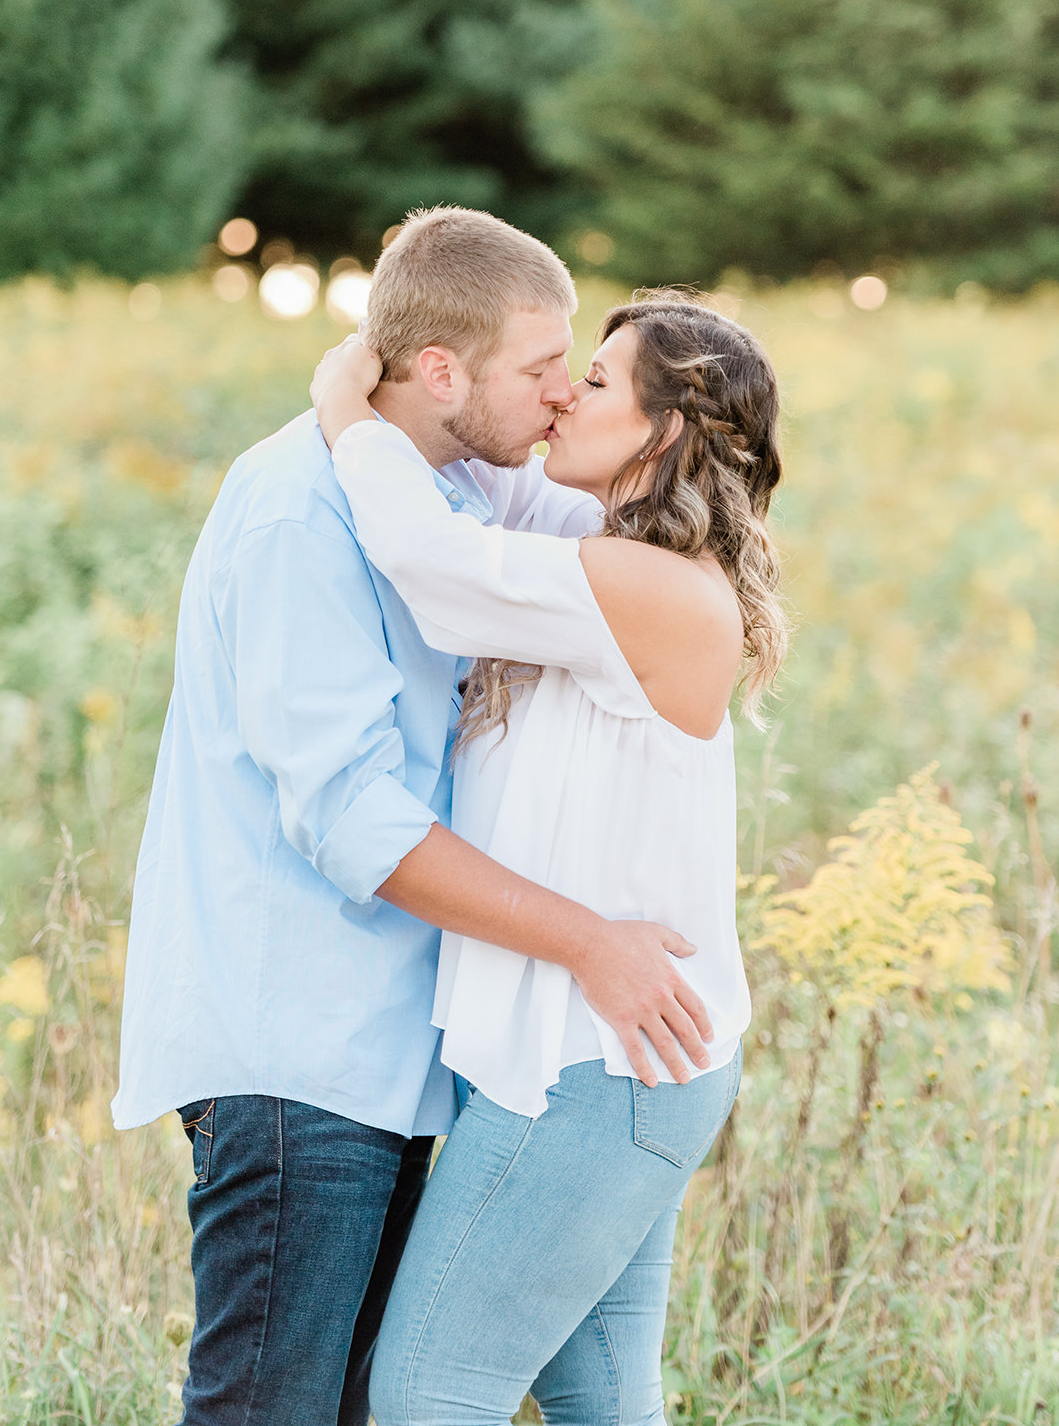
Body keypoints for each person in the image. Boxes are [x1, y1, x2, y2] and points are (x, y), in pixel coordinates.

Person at [111, 208, 714, 1426]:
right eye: (542, 368)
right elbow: (351, 821)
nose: (558, 397)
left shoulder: (469, 488)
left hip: (400, 1056)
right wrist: (589, 941)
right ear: (440, 371)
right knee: (269, 1410)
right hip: (298, 1049)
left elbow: (606, 535)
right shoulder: (296, 508)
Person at [310, 290, 787, 1426]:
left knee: (428, 1391)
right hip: (606, 1057)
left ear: (663, 430)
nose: (568, 393)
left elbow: (432, 563)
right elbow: (482, 516)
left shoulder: (658, 591)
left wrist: (347, 414)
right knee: (599, 1399)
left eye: (600, 381)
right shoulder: (597, 553)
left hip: (599, 1065)